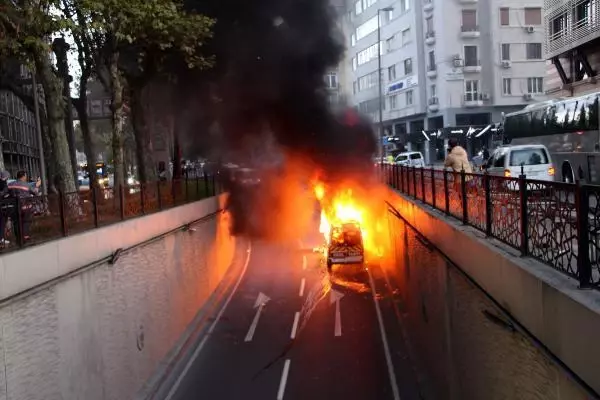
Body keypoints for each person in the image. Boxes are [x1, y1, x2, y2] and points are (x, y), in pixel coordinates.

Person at [8, 170, 40, 242]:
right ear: (23, 176)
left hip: (15, 206)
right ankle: (25, 237)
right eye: (25, 176)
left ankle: (18, 237)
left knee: (16, 222)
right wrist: (37, 186)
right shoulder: (26, 185)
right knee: (26, 221)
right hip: (25, 206)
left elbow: (6, 192)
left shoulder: (10, 184)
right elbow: (35, 192)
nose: (26, 177)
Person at [0, 171, 10, 245]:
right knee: (2, 222)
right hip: (2, 205)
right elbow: (4, 193)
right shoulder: (3, 183)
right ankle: (1, 239)